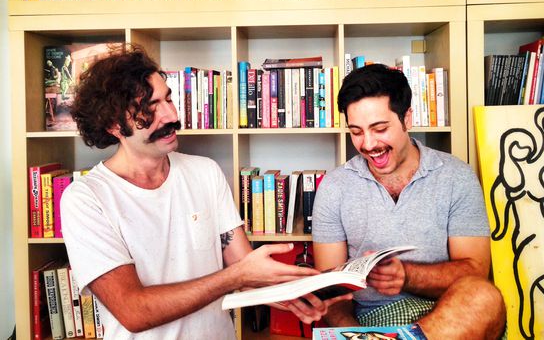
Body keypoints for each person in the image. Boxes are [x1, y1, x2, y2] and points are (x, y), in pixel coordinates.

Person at [61, 45, 349, 339]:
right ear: (113, 124)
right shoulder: (86, 199)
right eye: (150, 108)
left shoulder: (205, 172)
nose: (171, 115)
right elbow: (134, 311)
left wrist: (297, 292)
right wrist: (236, 277)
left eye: (168, 99)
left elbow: (244, 268)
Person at [312, 64, 506, 339]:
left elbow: (475, 270)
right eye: (356, 132)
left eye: (380, 128)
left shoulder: (456, 176)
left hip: (453, 315)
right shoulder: (334, 187)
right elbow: (333, 294)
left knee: (484, 295)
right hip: (372, 325)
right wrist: (353, 335)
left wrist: (407, 275)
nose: (368, 144)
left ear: (407, 118)